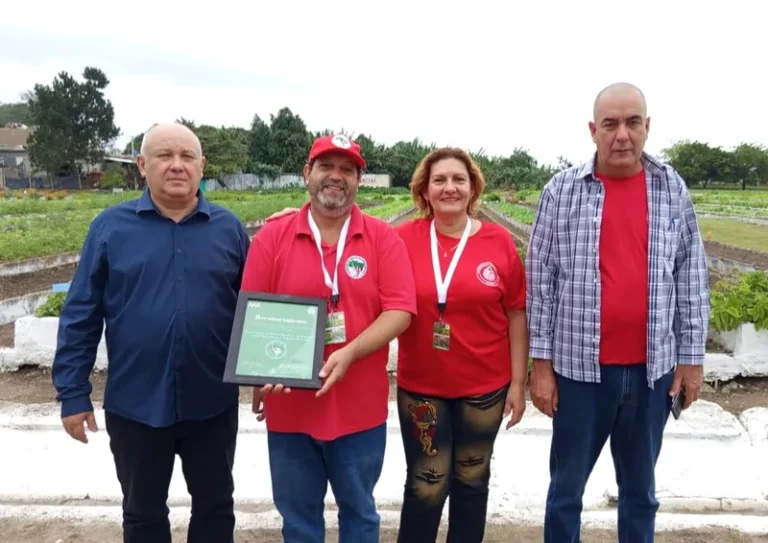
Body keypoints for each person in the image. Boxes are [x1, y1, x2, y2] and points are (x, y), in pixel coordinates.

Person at [526, 82, 710, 543]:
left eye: (632, 123)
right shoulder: (562, 191)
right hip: (578, 375)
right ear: (593, 130)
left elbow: (690, 275)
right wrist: (541, 366)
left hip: (652, 374)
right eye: (610, 124)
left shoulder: (671, 187)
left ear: (648, 127)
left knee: (640, 493)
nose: (622, 134)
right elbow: (540, 283)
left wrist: (691, 359)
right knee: (566, 490)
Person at [51, 123, 250, 543]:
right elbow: (81, 314)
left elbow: (255, 312)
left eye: (186, 156)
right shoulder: (110, 228)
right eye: (164, 156)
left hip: (211, 401)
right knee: (142, 514)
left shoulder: (230, 230)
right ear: (143, 165)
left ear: (201, 166)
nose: (176, 165)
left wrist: (269, 371)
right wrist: (72, 392)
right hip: (136, 404)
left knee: (215, 509)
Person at [242, 133, 417, 543]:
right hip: (291, 408)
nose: (335, 177)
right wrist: (257, 373)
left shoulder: (381, 238)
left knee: (359, 514)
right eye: (326, 166)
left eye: (347, 169)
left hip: (360, 408)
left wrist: (351, 352)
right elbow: (254, 312)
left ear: (359, 179)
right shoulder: (273, 236)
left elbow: (400, 312)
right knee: (299, 519)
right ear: (307, 173)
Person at [393, 148, 528, 543]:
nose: (449, 187)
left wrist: (518, 384)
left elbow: (517, 313)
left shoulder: (498, 242)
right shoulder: (401, 239)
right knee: (426, 483)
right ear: (425, 190)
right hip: (422, 387)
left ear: (472, 189)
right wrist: (293, 217)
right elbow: (351, 229)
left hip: (484, 388)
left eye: (458, 180)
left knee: (472, 478)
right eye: (440, 180)